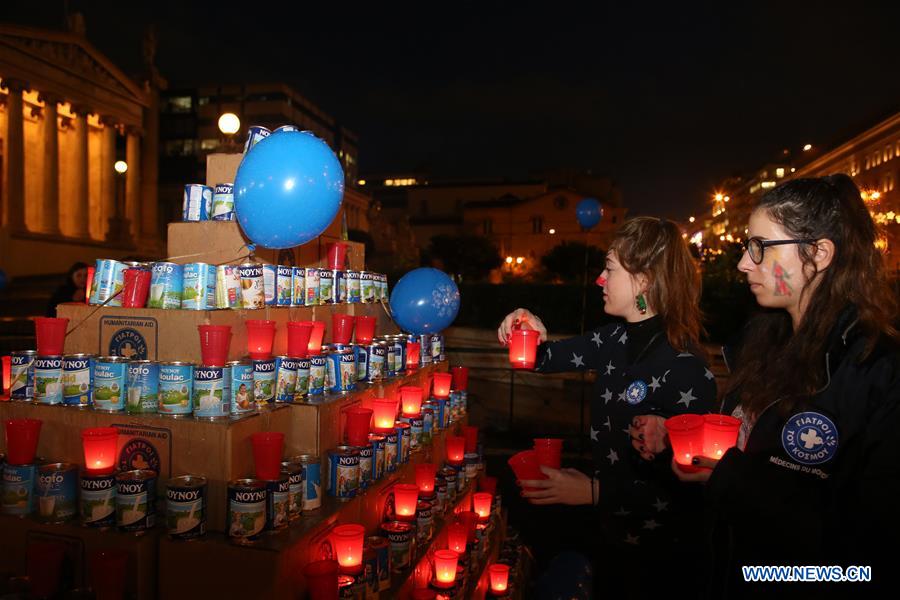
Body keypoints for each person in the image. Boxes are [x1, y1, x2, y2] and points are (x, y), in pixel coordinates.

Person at [667, 175, 900, 598]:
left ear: (819, 253)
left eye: (760, 246)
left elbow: (864, 561)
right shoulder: (762, 348)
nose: (742, 263)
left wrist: (732, 482)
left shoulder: (878, 371)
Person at [497, 216, 717, 597]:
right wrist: (523, 324)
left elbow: (691, 488)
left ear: (645, 280)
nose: (600, 279)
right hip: (611, 540)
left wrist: (594, 491)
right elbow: (540, 358)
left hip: (664, 563)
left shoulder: (687, 368)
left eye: (610, 269)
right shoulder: (612, 340)